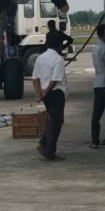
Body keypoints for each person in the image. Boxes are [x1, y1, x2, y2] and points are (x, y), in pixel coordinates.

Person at [33, 32, 68, 161]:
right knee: (56, 123)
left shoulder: (40, 58)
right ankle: (49, 151)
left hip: (45, 94)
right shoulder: (58, 59)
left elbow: (35, 78)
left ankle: (45, 143)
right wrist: (46, 90)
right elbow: (55, 80)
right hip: (56, 93)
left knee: (53, 121)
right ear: (59, 45)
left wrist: (39, 93)